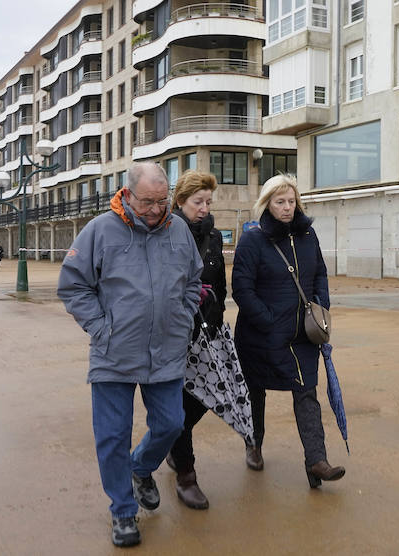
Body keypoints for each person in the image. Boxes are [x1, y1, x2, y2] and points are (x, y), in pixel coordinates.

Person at [57, 162, 203, 547]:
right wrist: (101, 328)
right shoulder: (100, 230)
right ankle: (122, 511)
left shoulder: (179, 230)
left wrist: (184, 317)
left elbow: (193, 280)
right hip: (114, 353)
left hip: (167, 349)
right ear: (128, 194)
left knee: (171, 423)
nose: (157, 210)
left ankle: (141, 468)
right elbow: (73, 285)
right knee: (112, 436)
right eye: (148, 202)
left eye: (162, 201)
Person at [231, 174, 345, 488]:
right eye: (280, 202)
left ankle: (316, 461)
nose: (287, 207)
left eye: (291, 201)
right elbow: (241, 289)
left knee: (307, 392)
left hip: (302, 335)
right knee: (255, 392)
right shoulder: (253, 240)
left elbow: (320, 273)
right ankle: (254, 445)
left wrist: (322, 305)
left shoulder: (308, 235)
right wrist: (268, 321)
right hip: (260, 337)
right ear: (267, 204)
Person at [164, 170, 227, 510]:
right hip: (174, 336)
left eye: (207, 202)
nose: (203, 208)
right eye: (197, 202)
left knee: (208, 397)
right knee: (176, 402)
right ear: (180, 202)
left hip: (208, 335)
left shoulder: (214, 237)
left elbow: (221, 285)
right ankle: (186, 476)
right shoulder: (166, 235)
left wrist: (216, 323)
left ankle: (170, 440)